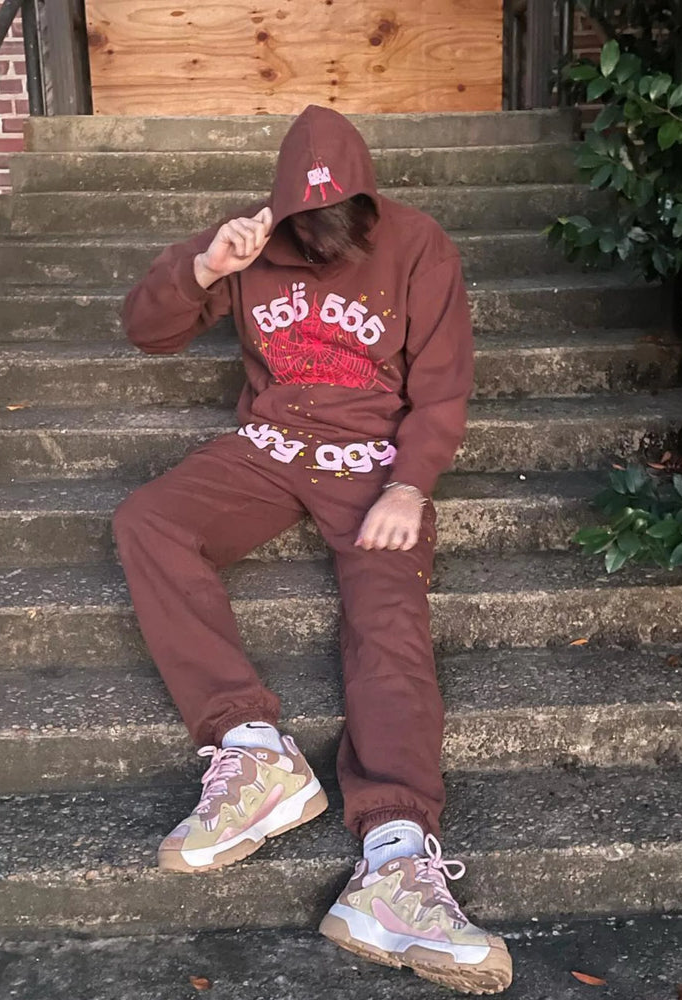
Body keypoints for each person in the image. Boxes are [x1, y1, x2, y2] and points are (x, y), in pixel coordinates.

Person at [113, 104, 513, 994]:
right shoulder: (249, 240)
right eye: (311, 228)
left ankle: (395, 861)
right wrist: (205, 268)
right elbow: (147, 328)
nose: (327, 244)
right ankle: (253, 751)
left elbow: (443, 387)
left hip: (373, 462)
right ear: (288, 211)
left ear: (369, 203)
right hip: (270, 447)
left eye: (344, 225)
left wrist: (412, 484)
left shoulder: (420, 245)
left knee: (388, 615)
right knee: (148, 521)